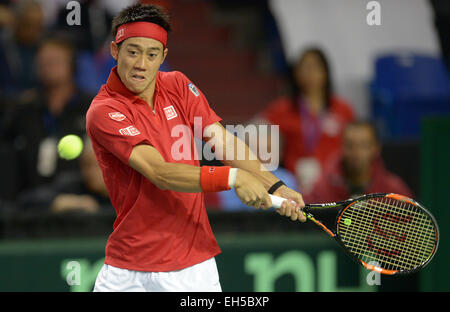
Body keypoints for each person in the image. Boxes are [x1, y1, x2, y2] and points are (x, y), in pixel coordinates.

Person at [86, 3, 305, 292]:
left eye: (151, 54)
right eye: (133, 51)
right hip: (126, 269)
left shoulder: (178, 84)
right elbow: (159, 172)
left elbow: (223, 141)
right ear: (115, 50)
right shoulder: (104, 111)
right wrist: (233, 178)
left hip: (192, 268)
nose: (141, 64)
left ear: (163, 56)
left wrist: (274, 186)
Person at [1, 35, 93, 199]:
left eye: (55, 61)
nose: (47, 67)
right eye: (42, 62)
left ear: (71, 65)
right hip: (28, 199)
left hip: (79, 199)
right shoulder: (23, 108)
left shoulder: (92, 106)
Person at [261, 48, 355, 194]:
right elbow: (252, 133)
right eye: (305, 68)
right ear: (296, 73)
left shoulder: (343, 109)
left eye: (314, 67)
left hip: (334, 183)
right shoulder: (281, 109)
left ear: (325, 71)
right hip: (293, 184)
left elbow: (353, 146)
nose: (309, 74)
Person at [303, 121, 413, 204]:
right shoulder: (321, 188)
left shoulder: (395, 191)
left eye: (363, 145)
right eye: (350, 145)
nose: (356, 152)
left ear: (376, 148)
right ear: (342, 147)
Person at [17, 136, 111, 213]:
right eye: (86, 165)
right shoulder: (72, 185)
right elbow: (27, 199)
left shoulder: (124, 192)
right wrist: (71, 202)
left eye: (97, 165)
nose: (91, 172)